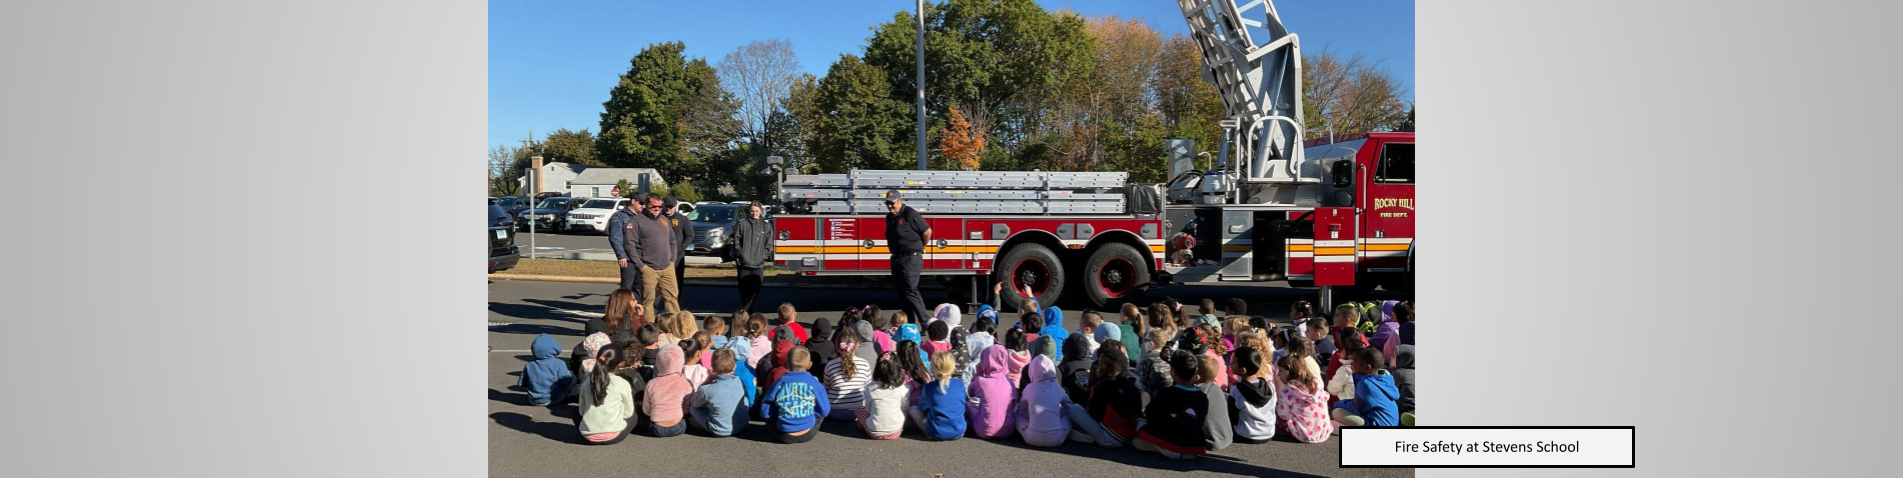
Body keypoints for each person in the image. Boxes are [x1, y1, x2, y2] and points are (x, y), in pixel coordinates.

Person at [1134, 351, 1210, 459]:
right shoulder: (1202, 397)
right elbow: (1200, 421)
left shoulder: (1166, 393)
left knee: (1140, 425)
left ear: (1173, 372)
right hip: (1194, 448)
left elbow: (1150, 415)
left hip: (1173, 445)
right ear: (1196, 371)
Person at [1068, 341, 1139, 448]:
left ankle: (1090, 437)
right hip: (1130, 437)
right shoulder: (1131, 384)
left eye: (1101, 364)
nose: (1097, 366)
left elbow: (1096, 416)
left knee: (1074, 409)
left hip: (1110, 438)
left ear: (1111, 370)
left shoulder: (1102, 386)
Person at [620, 193, 679, 315]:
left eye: (659, 206)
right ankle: (649, 330)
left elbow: (672, 241)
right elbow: (629, 245)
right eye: (654, 206)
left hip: (667, 267)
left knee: (672, 299)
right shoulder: (636, 221)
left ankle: (676, 329)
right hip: (648, 268)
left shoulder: (664, 220)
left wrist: (672, 260)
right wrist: (641, 266)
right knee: (648, 301)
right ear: (646, 205)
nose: (657, 209)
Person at [882, 189, 933, 326]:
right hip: (896, 258)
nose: (890, 206)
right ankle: (909, 323)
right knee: (901, 292)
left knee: (910, 290)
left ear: (900, 201)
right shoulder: (890, 217)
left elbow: (927, 232)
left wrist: (921, 246)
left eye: (892, 203)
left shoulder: (909, 213)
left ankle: (925, 322)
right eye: (887, 203)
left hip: (911, 258)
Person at [760, 347, 830, 443]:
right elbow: (825, 411)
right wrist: (813, 414)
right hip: (808, 432)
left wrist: (773, 417)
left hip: (783, 434)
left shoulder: (780, 382)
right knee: (821, 410)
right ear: (809, 365)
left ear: (785, 364)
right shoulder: (813, 382)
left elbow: (765, 410)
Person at [1274, 341, 1334, 443]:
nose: (1278, 374)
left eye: (1281, 371)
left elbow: (1283, 414)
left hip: (1303, 434)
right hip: (1323, 432)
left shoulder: (1289, 390)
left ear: (1290, 372)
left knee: (1277, 416)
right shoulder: (1315, 384)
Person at [575, 347, 637, 445]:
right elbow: (628, 413)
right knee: (635, 413)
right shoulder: (622, 383)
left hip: (588, 436)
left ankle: (590, 430)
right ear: (621, 363)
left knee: (574, 412)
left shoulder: (587, 382)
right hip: (614, 436)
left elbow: (581, 411)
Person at [1013, 354, 1073, 447]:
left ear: (1031, 371)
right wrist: (1058, 413)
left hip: (1031, 438)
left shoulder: (1029, 388)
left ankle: (1026, 427)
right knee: (1069, 416)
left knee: (1016, 414)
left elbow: (1021, 411)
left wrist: (1033, 415)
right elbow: (1069, 407)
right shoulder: (1057, 387)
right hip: (1057, 439)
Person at [1331, 347, 1400, 427]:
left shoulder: (1366, 384)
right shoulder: (1383, 381)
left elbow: (1356, 408)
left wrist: (1336, 404)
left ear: (1367, 368)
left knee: (1337, 412)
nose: (1351, 363)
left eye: (1354, 361)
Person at [687, 349, 749, 437]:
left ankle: (693, 423)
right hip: (742, 426)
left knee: (693, 408)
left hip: (720, 430)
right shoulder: (739, 381)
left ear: (712, 367)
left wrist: (704, 384)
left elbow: (694, 403)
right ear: (734, 367)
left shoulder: (708, 389)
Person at [908, 351, 967, 441]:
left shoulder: (929, 387)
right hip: (959, 431)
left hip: (935, 432)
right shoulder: (960, 384)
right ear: (953, 368)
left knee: (913, 409)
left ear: (932, 369)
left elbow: (922, 408)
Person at [728, 200, 773, 312]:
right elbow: (736, 240)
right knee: (744, 292)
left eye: (756, 211)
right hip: (744, 264)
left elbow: (769, 244)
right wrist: (740, 254)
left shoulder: (766, 226)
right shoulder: (742, 224)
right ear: (749, 211)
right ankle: (747, 313)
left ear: (760, 211)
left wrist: (763, 255)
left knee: (756, 290)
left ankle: (743, 311)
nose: (754, 213)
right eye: (752, 211)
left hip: (758, 264)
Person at [966, 345, 1018, 440]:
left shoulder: (981, 381)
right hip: (1008, 431)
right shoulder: (1010, 384)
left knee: (970, 407)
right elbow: (1014, 406)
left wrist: (978, 373)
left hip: (983, 430)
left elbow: (971, 392)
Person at [641, 344, 692, 438]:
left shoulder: (651, 383)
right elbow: (687, 406)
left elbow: (646, 410)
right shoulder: (685, 383)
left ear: (658, 363)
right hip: (678, 426)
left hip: (656, 429)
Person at [1229, 347, 1277, 444]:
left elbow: (1232, 417)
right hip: (1269, 433)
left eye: (1234, 362)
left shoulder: (1237, 390)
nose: (1231, 363)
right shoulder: (1270, 386)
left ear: (1243, 370)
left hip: (1246, 434)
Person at [822, 329, 872, 421]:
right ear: (857, 345)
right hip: (857, 412)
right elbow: (868, 388)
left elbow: (827, 387)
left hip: (833, 411)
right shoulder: (864, 364)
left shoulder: (830, 365)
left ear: (837, 347)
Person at [857, 354, 909, 440]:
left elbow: (868, 410)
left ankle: (862, 425)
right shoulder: (902, 388)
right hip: (895, 432)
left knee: (858, 409)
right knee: (907, 410)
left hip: (873, 432)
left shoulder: (870, 387)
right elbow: (904, 407)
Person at [519, 334, 573, 406]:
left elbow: (521, 383)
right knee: (572, 378)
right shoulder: (559, 363)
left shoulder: (529, 364)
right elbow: (566, 382)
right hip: (553, 399)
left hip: (533, 400)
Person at [1195, 355, 1234, 451]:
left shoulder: (1198, 394)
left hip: (1210, 441)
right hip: (1226, 438)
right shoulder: (1216, 389)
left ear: (1197, 377)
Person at [606, 199, 643, 292]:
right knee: (626, 287)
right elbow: (615, 237)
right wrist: (621, 255)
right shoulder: (620, 216)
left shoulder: (642, 216)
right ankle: (624, 306)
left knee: (639, 286)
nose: (642, 205)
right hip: (628, 258)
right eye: (640, 203)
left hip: (641, 257)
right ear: (633, 201)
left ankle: (636, 306)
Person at [664, 197, 694, 289]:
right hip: (661, 256)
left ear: (675, 206)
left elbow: (690, 235)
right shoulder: (658, 218)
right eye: (667, 206)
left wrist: (681, 248)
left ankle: (676, 301)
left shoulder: (682, 219)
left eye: (671, 207)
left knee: (677, 282)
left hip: (677, 256)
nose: (669, 209)